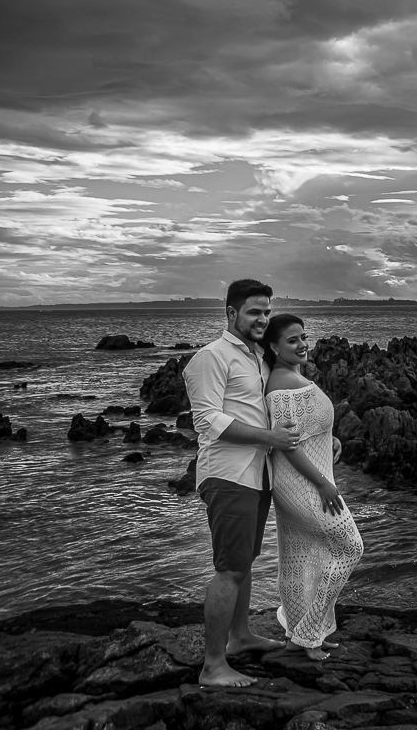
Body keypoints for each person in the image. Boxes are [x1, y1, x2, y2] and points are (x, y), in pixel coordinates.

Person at [184, 279, 300, 687]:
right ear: (231, 313)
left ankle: (240, 637)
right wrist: (270, 438)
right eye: (254, 312)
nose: (262, 319)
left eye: (267, 312)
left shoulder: (258, 358)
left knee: (244, 563)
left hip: (258, 475)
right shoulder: (210, 358)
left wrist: (323, 437)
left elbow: (271, 411)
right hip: (228, 475)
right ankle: (213, 666)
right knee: (230, 569)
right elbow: (208, 421)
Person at [262, 313, 364, 660]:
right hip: (304, 484)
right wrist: (322, 484)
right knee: (350, 547)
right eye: (292, 340)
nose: (302, 344)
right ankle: (308, 632)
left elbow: (302, 429)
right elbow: (288, 444)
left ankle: (298, 632)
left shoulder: (291, 376)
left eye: (304, 336)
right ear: (274, 346)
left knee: (298, 555)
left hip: (299, 480)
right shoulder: (284, 385)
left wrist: (328, 437)